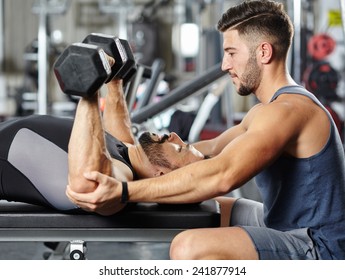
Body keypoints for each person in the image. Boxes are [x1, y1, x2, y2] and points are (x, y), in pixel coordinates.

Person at [66, 0, 345, 260]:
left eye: (231, 53)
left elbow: (223, 175)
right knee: (211, 208)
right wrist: (137, 155)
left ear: (263, 52)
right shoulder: (265, 111)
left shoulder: (287, 112)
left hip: (320, 246)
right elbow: (202, 152)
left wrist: (125, 191)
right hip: (282, 221)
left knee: (188, 247)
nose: (225, 65)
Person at [0, 76, 205, 213]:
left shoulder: (121, 177)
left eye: (179, 148)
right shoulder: (127, 154)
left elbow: (88, 185)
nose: (174, 135)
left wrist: (90, 89)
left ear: (161, 174)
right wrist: (115, 79)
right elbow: (118, 125)